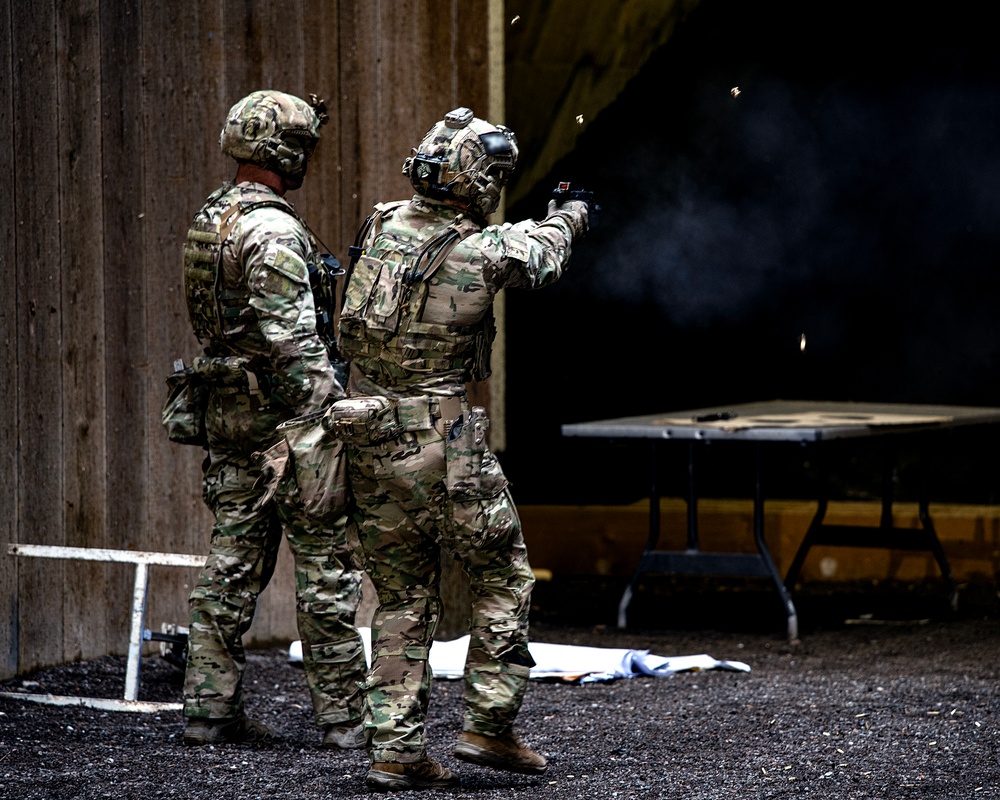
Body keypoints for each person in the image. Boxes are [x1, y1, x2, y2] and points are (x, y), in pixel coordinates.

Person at [333, 107, 591, 790]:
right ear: (477, 181)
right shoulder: (478, 251)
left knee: (399, 598)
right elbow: (543, 253)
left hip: (370, 432)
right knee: (503, 577)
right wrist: (571, 213)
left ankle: (394, 749)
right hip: (442, 440)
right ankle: (490, 724)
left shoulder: (383, 224)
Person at [178, 90, 367, 749]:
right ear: (283, 153)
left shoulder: (214, 218)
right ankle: (345, 723)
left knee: (232, 560)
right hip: (289, 426)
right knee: (325, 571)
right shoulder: (275, 233)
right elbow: (294, 346)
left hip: (229, 417)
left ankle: (207, 710)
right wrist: (335, 418)